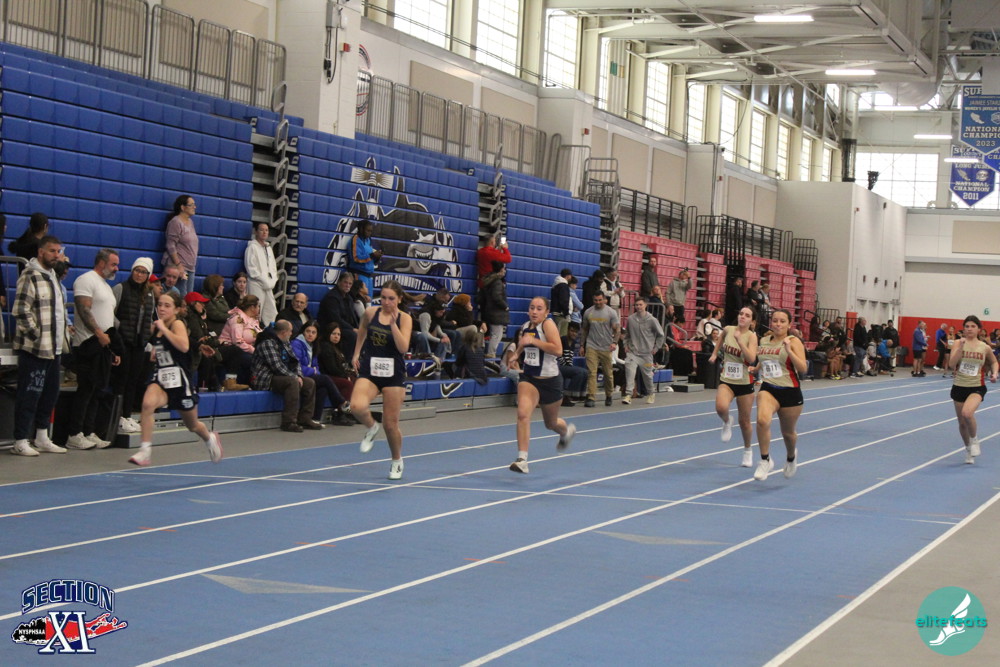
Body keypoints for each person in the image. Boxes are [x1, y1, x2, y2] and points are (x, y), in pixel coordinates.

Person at [128, 292, 222, 466]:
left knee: (192, 425)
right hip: (161, 377)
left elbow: (184, 346)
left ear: (177, 309)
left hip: (179, 381)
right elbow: (164, 345)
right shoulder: (157, 327)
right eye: (160, 305)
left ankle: (209, 438)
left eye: (167, 305)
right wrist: (156, 349)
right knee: (147, 404)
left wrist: (164, 330)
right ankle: (145, 451)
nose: (162, 308)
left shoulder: (176, 324)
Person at [10, 235, 69, 456]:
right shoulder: (30, 275)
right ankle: (20, 439)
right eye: (52, 251)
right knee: (29, 394)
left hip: (54, 348)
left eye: (58, 251)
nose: (56, 255)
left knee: (50, 394)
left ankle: (42, 436)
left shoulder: (53, 277)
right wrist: (36, 335)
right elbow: (20, 310)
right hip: (36, 348)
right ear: (40, 251)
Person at [352, 280, 413, 480]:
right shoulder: (371, 313)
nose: (386, 302)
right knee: (356, 407)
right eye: (384, 298)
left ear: (399, 299)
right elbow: (362, 329)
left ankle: (396, 460)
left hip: (393, 374)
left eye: (391, 299)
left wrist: (393, 325)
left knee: (390, 424)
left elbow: (403, 348)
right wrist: (356, 353)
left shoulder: (405, 318)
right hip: (370, 369)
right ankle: (371, 426)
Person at [509, 296, 577, 473]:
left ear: (546, 312)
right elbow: (524, 343)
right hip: (529, 378)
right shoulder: (525, 327)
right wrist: (516, 354)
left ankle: (566, 432)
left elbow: (558, 350)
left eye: (539, 309)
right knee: (523, 414)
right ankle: (522, 459)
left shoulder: (548, 325)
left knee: (551, 423)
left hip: (550, 381)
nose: (534, 311)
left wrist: (534, 341)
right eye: (532, 308)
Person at [67, 248, 121, 450]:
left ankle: (89, 431)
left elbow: (107, 317)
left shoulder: (106, 286)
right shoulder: (86, 280)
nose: (116, 268)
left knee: (97, 390)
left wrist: (112, 350)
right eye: (113, 264)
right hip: (88, 343)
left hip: (103, 345)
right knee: (86, 390)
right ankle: (74, 434)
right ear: (101, 263)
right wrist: (98, 333)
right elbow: (84, 309)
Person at [750, 309, 807, 481]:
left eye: (782, 321)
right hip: (769, 388)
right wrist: (756, 369)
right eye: (775, 321)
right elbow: (765, 360)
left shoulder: (794, 341)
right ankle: (765, 460)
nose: (778, 324)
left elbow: (803, 369)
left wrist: (789, 351)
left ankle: (791, 457)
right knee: (762, 420)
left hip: (790, 391)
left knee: (788, 434)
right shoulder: (764, 340)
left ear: (789, 324)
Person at [709, 306, 759, 467]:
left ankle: (747, 450)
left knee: (744, 422)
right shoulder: (728, 329)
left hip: (744, 382)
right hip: (727, 379)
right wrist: (715, 353)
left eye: (747, 315)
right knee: (720, 407)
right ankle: (726, 421)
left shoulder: (751, 336)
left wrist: (739, 341)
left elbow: (751, 358)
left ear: (752, 321)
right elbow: (720, 339)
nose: (743, 317)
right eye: (741, 313)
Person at [252, 320, 323, 432]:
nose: (291, 333)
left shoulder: (285, 343)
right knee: (292, 382)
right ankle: (288, 422)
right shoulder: (267, 343)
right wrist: (294, 377)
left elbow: (295, 361)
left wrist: (299, 375)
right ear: (284, 332)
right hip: (266, 378)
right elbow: (277, 366)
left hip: (282, 376)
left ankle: (305, 418)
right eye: (290, 331)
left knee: (309, 382)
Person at [949, 315, 998, 464]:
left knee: (967, 413)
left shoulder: (985, 347)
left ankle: (974, 439)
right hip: (959, 386)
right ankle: (968, 448)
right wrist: (961, 348)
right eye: (967, 326)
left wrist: (995, 373)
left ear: (979, 329)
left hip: (977, 386)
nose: (969, 329)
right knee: (962, 423)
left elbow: (994, 361)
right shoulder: (958, 343)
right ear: (963, 329)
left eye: (973, 326)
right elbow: (952, 364)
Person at [111, 257, 156, 419]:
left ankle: (127, 416)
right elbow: (110, 312)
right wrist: (120, 327)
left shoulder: (149, 294)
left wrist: (147, 335)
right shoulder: (120, 288)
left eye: (143, 272)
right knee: (121, 380)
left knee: (133, 381)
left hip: (139, 344)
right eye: (137, 270)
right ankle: (116, 417)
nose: (139, 274)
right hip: (122, 342)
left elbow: (149, 317)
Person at [292, 319, 351, 426]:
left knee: (323, 388)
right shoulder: (297, 344)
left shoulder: (314, 345)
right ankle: (342, 402)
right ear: (303, 332)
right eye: (308, 331)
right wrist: (313, 371)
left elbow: (316, 365)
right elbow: (297, 365)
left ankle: (315, 419)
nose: (310, 334)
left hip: (310, 374)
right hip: (298, 374)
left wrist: (315, 371)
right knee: (325, 379)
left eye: (313, 332)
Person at [622, 297, 665, 406]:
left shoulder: (652, 320)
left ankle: (651, 393)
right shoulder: (631, 319)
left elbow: (661, 335)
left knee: (647, 376)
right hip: (633, 353)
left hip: (646, 355)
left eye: (640, 304)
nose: (638, 307)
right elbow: (627, 334)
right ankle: (628, 395)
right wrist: (626, 345)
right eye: (636, 305)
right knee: (630, 373)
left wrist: (656, 348)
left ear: (645, 305)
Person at [581, 291, 620, 408]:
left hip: (606, 346)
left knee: (608, 373)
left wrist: (614, 342)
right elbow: (584, 329)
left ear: (604, 299)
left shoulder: (611, 312)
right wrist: (582, 345)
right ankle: (591, 397)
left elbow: (617, 330)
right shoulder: (588, 312)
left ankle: (609, 395)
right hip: (591, 345)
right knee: (591, 372)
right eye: (595, 300)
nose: (598, 302)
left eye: (600, 300)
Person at [217, 294, 261, 389]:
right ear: (252, 307)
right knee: (253, 360)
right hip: (229, 349)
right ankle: (233, 382)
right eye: (258, 306)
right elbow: (237, 342)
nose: (259, 309)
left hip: (247, 350)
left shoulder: (254, 320)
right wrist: (254, 351)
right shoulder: (238, 319)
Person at [184, 291, 222, 392]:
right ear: (193, 304)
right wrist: (216, 342)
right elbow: (200, 336)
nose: (203, 305)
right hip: (192, 348)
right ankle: (204, 387)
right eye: (200, 303)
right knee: (208, 357)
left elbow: (207, 334)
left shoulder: (199, 317)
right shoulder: (192, 317)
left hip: (198, 346)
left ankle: (212, 385)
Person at [161, 194, 199, 296]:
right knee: (180, 295)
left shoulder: (190, 222)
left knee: (189, 296)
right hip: (180, 267)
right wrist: (178, 266)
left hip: (190, 268)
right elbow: (170, 245)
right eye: (191, 205)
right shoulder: (176, 222)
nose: (194, 207)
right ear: (183, 207)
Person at [318, 271, 360, 359]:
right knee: (352, 335)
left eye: (350, 283)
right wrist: (352, 329)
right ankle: (346, 361)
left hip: (343, 327)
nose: (347, 285)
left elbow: (353, 317)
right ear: (339, 282)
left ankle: (357, 359)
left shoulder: (349, 298)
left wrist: (359, 329)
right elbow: (335, 319)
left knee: (362, 334)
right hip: (329, 328)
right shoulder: (331, 297)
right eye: (345, 282)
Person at [317, 323, 356, 412]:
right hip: (327, 376)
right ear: (328, 333)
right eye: (334, 333)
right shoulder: (325, 346)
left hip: (335, 375)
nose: (336, 336)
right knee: (347, 384)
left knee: (357, 381)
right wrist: (345, 376)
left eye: (338, 334)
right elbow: (332, 369)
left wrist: (349, 373)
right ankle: (342, 412)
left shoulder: (336, 347)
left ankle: (354, 409)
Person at [245, 221, 278, 326]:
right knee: (255, 310)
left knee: (271, 312)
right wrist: (262, 279)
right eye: (261, 230)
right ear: (256, 232)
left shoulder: (269, 248)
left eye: (266, 230)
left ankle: (271, 331)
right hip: (256, 283)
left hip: (268, 285)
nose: (264, 232)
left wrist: (273, 280)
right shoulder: (252, 247)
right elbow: (251, 268)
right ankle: (253, 330)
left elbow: (273, 267)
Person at [480, 261, 509, 358]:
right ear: (500, 270)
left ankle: (490, 352)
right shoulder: (497, 282)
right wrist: (505, 306)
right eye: (504, 269)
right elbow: (496, 297)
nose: (505, 271)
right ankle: (491, 352)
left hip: (489, 310)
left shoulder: (489, 280)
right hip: (497, 312)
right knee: (497, 334)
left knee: (494, 333)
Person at [347, 219, 382, 295]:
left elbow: (369, 259)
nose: (370, 233)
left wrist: (377, 257)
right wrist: (372, 255)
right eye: (368, 230)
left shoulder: (368, 240)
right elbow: (356, 258)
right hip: (359, 275)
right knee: (361, 299)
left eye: (371, 231)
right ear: (361, 229)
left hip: (368, 276)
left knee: (369, 300)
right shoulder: (356, 239)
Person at [558, 321, 587, 407]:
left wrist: (569, 367)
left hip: (567, 367)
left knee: (585, 372)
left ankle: (580, 396)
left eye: (576, 332)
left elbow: (570, 358)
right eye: (571, 331)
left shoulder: (573, 343)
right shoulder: (563, 340)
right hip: (559, 366)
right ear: (567, 330)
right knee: (579, 372)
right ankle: (568, 396)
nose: (573, 333)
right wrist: (568, 367)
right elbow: (559, 356)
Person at [550, 268, 573, 336]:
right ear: (567, 276)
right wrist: (566, 314)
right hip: (561, 314)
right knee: (562, 334)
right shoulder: (563, 286)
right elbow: (564, 301)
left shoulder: (556, 285)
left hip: (556, 313)